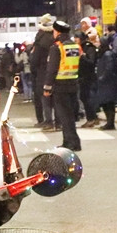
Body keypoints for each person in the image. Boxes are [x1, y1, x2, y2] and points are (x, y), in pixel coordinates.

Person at [43, 20, 81, 151]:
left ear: (57, 32)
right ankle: (70, 141)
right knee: (70, 115)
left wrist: (47, 87)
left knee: (64, 116)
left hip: (60, 85)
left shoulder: (57, 47)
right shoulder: (75, 46)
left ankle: (71, 142)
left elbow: (52, 69)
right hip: (73, 84)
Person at [31, 14, 55, 129]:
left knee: (43, 96)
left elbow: (34, 60)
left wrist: (33, 70)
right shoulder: (55, 38)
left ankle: (46, 120)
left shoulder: (40, 40)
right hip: (55, 71)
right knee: (54, 97)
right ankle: (58, 121)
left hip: (42, 72)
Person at [94, 35, 117, 130]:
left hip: (108, 83)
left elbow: (109, 68)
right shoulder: (103, 53)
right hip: (105, 83)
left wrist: (102, 77)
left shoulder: (108, 54)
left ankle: (110, 123)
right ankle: (109, 122)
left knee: (108, 103)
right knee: (105, 103)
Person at [77, 28, 99, 127]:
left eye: (77, 38)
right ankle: (92, 117)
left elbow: (91, 62)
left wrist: (82, 56)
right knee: (84, 97)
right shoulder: (79, 47)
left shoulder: (89, 47)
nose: (75, 40)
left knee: (87, 97)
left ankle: (92, 118)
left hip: (88, 76)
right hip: (81, 76)